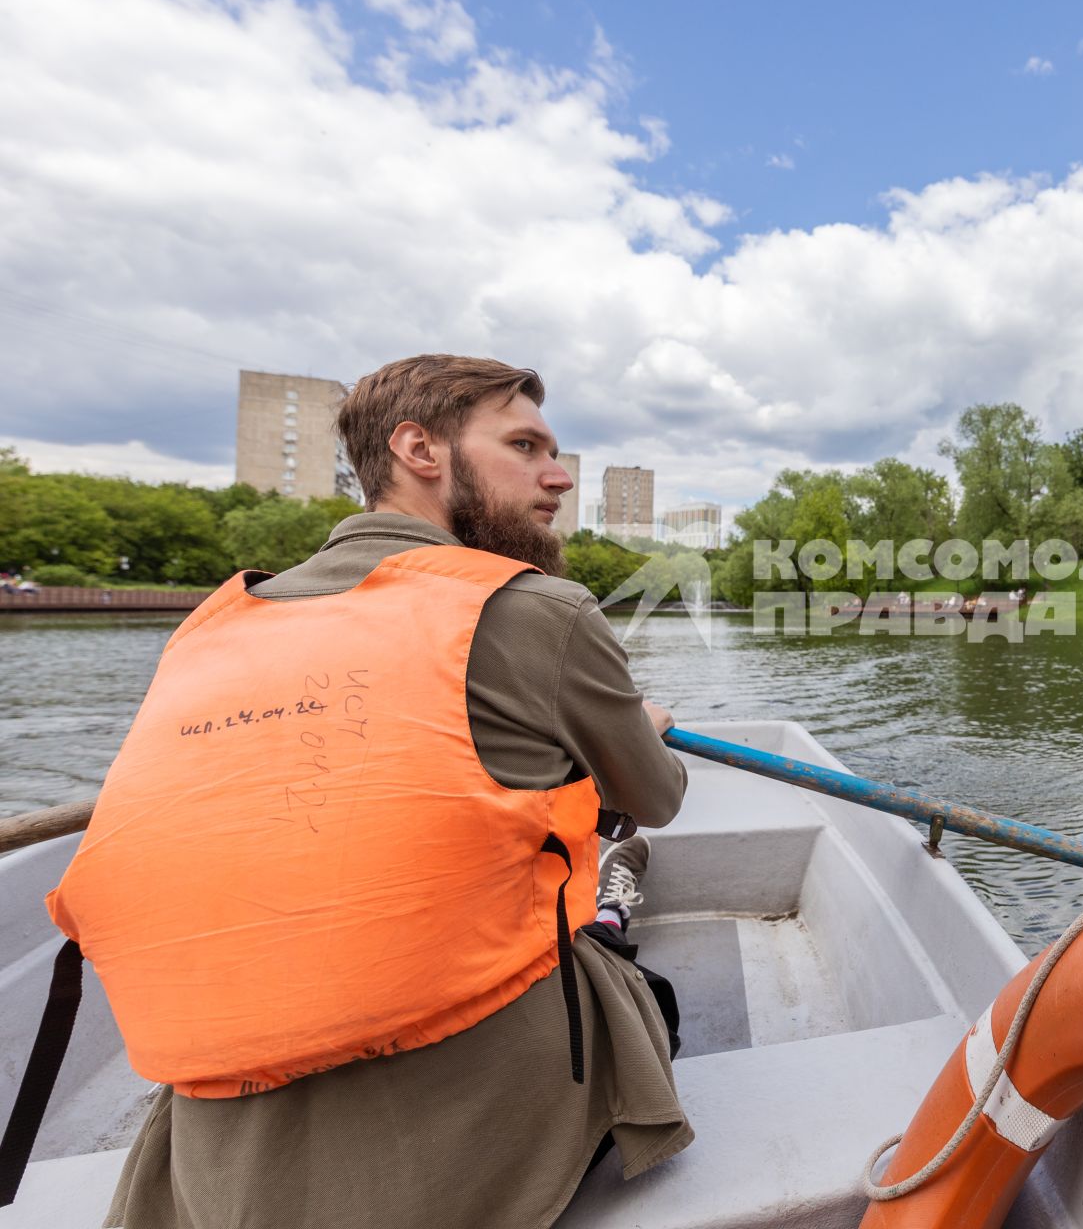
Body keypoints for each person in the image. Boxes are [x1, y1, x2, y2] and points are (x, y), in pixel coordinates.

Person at [44, 356, 693, 1229]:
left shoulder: (210, 629)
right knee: (644, 988)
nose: (559, 475)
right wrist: (638, 732)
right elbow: (653, 797)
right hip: (464, 1149)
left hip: (216, 1164)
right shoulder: (545, 610)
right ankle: (612, 909)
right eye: (525, 444)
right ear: (418, 448)